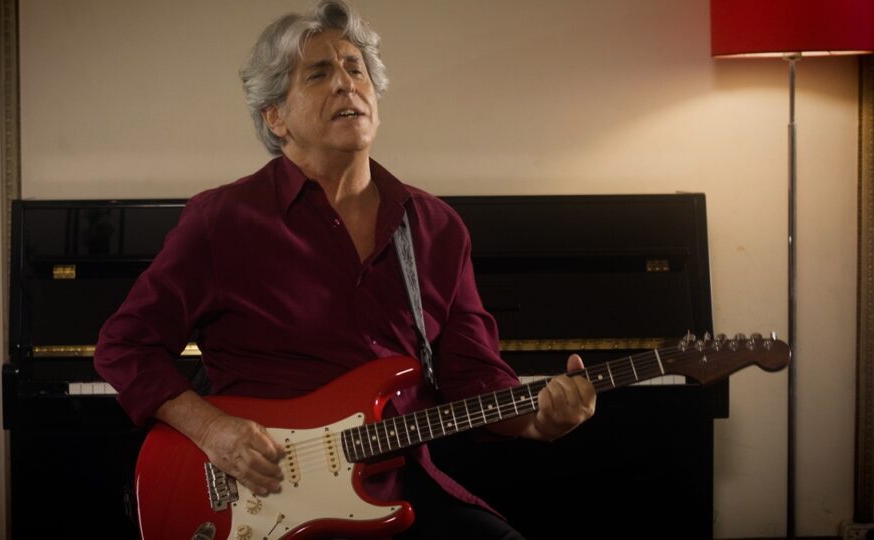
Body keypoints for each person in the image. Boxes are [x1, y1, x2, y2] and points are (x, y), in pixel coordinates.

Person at [94, 1, 596, 538]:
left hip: (397, 488)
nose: (345, 84)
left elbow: (474, 377)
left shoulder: (437, 228)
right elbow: (124, 346)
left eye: (356, 69)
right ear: (275, 117)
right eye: (319, 73)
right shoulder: (223, 221)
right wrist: (214, 431)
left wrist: (537, 418)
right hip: (262, 499)